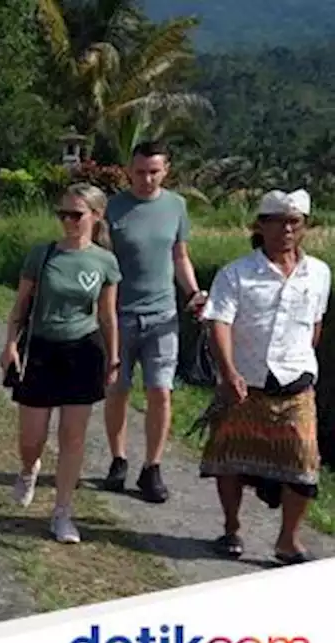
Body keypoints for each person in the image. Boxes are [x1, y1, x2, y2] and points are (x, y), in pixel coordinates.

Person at [197, 189, 328, 565]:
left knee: (303, 462)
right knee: (231, 457)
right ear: (261, 226)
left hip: (296, 380)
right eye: (277, 223)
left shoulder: (318, 273)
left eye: (294, 223)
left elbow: (314, 324)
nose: (286, 230)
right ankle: (232, 527)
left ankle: (288, 540)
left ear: (304, 227)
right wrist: (229, 371)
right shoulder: (237, 274)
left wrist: (304, 360)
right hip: (246, 380)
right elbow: (219, 322)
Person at [0, 183, 122, 543]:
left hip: (83, 351)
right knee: (32, 437)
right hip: (41, 349)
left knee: (73, 436)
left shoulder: (105, 261)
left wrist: (113, 356)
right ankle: (28, 469)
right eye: (63, 214)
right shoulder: (43, 254)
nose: (68, 221)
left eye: (76, 215)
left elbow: (108, 315)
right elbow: (20, 305)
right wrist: (9, 344)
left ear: (96, 217)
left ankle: (62, 512)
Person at [101, 141, 208, 503]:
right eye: (140, 171)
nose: (146, 178)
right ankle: (118, 459)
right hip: (119, 315)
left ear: (166, 171)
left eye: (154, 171)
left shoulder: (176, 206)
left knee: (161, 391)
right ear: (128, 170)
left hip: (163, 315)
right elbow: (102, 260)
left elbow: (180, 256)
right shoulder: (112, 208)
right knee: (117, 389)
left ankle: (153, 467)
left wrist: (193, 293)